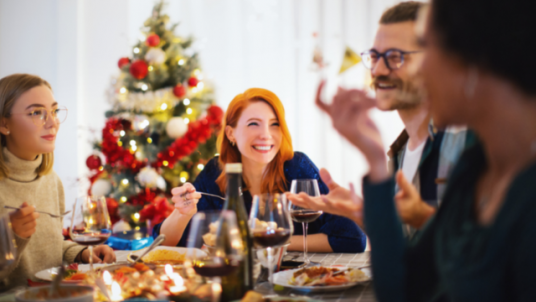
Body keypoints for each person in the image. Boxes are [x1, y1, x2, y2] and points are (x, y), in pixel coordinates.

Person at [296, 0, 536, 300]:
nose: (377, 71)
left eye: (430, 49)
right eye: (374, 56)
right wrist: (376, 167)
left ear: (478, 58)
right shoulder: (474, 168)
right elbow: (404, 287)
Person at [289, 1, 474, 232]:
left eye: (395, 56)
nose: (378, 70)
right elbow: (404, 254)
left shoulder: (470, 142)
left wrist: (419, 217)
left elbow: (489, 252)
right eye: (375, 56)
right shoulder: (399, 152)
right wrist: (364, 213)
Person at [153, 88, 366, 253]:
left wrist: (266, 239)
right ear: (231, 133)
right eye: (254, 124)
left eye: (274, 124)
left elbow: (352, 238)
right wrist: (182, 214)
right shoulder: (215, 172)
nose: (266, 134)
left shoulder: (297, 167)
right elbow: (165, 243)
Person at [0, 74, 115, 291]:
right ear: (4, 124)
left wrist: (83, 253)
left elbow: (51, 246)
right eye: (36, 113)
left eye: (54, 111)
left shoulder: (51, 180)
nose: (52, 122)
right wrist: (9, 237)